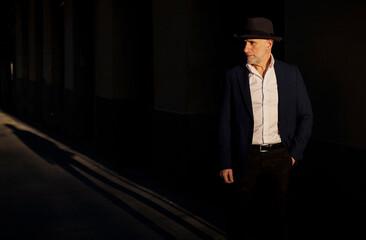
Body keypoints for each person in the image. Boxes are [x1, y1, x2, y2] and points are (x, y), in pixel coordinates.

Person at [218, 17, 313, 240]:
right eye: (244, 43)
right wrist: (225, 162)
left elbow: (306, 116)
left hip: (280, 155)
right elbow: (224, 122)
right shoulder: (234, 76)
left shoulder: (291, 74)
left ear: (269, 44)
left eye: (251, 43)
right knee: (241, 215)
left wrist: (293, 155)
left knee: (279, 215)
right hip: (245, 158)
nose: (245, 49)